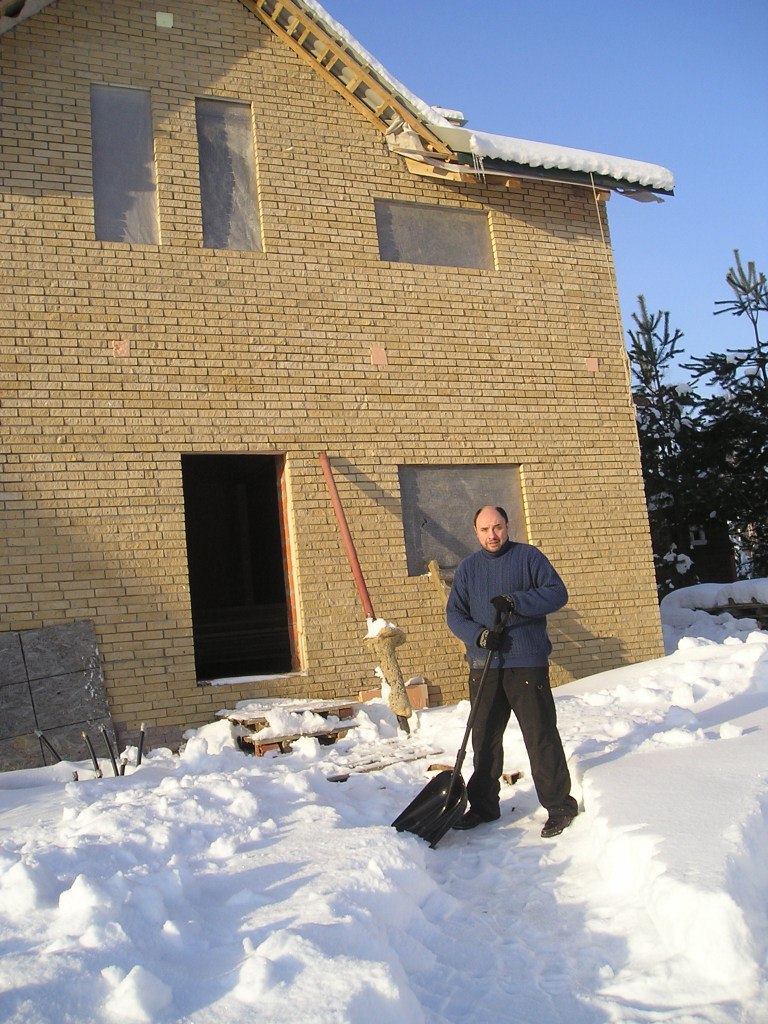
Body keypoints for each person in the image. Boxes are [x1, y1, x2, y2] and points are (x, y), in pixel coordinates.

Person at [445, 505, 578, 838]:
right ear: (475, 532)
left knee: (540, 734)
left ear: (507, 526)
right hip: (484, 664)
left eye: (498, 527)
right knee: (485, 739)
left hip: (526, 662)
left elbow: (556, 593)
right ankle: (484, 807)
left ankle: (559, 806)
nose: (493, 535)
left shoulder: (529, 558)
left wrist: (516, 601)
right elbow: (455, 615)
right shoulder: (468, 569)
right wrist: (481, 636)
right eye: (485, 529)